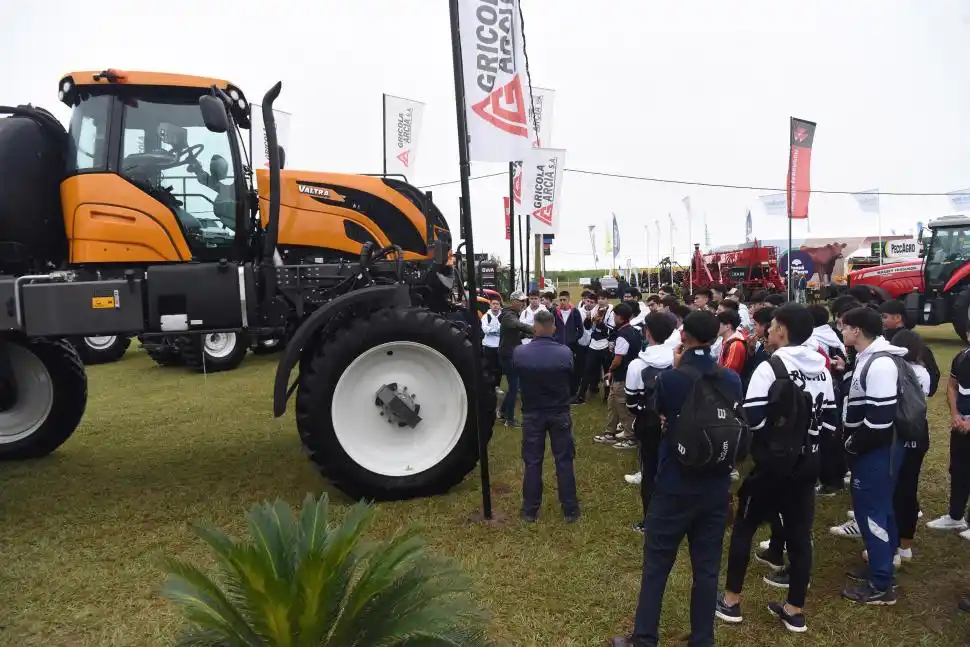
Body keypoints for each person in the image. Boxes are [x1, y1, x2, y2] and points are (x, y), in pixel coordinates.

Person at [611, 311, 743, 647]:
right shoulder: (730, 379)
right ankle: (702, 638)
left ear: (684, 337)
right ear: (715, 338)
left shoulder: (671, 379)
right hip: (715, 484)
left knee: (657, 566)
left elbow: (658, 421)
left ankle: (644, 638)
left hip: (675, 483)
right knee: (707, 569)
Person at [716, 304, 836, 634]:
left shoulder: (771, 367)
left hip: (771, 464)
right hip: (807, 463)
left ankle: (730, 601)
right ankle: (794, 609)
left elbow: (753, 418)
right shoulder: (823, 370)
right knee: (800, 535)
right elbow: (829, 423)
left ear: (782, 330)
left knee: (744, 527)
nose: (767, 332)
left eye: (771, 327)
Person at [840, 306, 906, 605]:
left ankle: (881, 584)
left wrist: (852, 445)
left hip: (877, 451)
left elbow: (879, 422)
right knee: (882, 510)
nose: (841, 331)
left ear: (857, 331)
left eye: (844, 326)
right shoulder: (869, 357)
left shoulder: (880, 364)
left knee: (872, 514)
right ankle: (883, 563)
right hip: (875, 450)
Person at [512, 309, 580, 522]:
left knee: (533, 462)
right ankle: (570, 510)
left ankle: (530, 511)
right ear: (553, 328)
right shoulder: (564, 352)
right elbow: (570, 373)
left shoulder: (520, 353)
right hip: (559, 411)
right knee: (564, 461)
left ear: (534, 328)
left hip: (532, 412)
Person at [624, 312, 675, 532]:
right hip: (675, 422)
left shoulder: (637, 364)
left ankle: (650, 521)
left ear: (647, 333)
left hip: (648, 424)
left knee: (650, 471)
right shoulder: (677, 359)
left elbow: (632, 403)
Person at [884, 329, 930, 564]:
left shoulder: (900, 371)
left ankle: (892, 547)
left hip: (901, 434)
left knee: (894, 491)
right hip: (920, 433)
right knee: (909, 489)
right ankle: (906, 545)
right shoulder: (924, 372)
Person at [926, 326, 970, 538]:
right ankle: (955, 517)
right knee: (959, 470)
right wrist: (954, 414)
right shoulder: (961, 357)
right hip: (960, 424)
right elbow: (952, 386)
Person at [596, 303, 642, 449]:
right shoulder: (632, 331)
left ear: (620, 318)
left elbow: (617, 359)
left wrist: (610, 370)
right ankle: (610, 433)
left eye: (615, 315)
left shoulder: (623, 335)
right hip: (622, 375)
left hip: (622, 376)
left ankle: (630, 438)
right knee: (613, 405)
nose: (613, 318)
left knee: (623, 409)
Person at [498, 292, 533, 428]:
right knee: (514, 388)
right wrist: (535, 329)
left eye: (524, 301)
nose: (523, 304)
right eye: (521, 301)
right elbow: (517, 325)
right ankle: (510, 420)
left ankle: (502, 413)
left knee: (514, 386)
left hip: (509, 353)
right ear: (513, 301)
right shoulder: (509, 315)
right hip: (508, 355)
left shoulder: (511, 313)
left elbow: (515, 331)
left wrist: (525, 333)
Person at [576, 291, 612, 404]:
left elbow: (611, 330)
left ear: (607, 300)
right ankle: (581, 396)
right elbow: (587, 327)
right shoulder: (594, 310)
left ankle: (607, 395)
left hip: (606, 345)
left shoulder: (611, 311)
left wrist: (601, 322)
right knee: (587, 370)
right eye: (599, 298)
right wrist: (588, 318)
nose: (601, 301)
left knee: (606, 373)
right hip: (593, 345)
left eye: (603, 298)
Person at [716, 310, 748, 375]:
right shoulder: (728, 340)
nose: (715, 326)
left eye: (718, 323)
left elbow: (728, 372)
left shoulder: (735, 345)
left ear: (727, 326)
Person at [481, 299, 503, 390]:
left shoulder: (503, 316)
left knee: (499, 367)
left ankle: (497, 386)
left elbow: (504, 330)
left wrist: (492, 330)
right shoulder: (486, 316)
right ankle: (490, 386)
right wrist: (497, 330)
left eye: (497, 304)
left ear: (500, 305)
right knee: (489, 367)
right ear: (490, 306)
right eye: (493, 304)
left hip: (500, 345)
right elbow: (485, 330)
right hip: (488, 345)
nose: (495, 306)